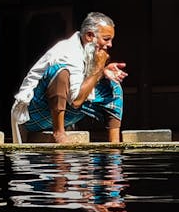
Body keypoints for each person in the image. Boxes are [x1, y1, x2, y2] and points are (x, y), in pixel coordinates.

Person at [10, 11, 127, 145]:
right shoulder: (68, 52)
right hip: (33, 115)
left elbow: (86, 81)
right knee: (61, 72)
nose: (110, 45)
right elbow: (76, 101)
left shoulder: (89, 50)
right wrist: (100, 69)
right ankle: (58, 132)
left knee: (113, 86)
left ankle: (115, 145)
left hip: (66, 112)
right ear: (89, 36)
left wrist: (103, 72)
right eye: (106, 39)